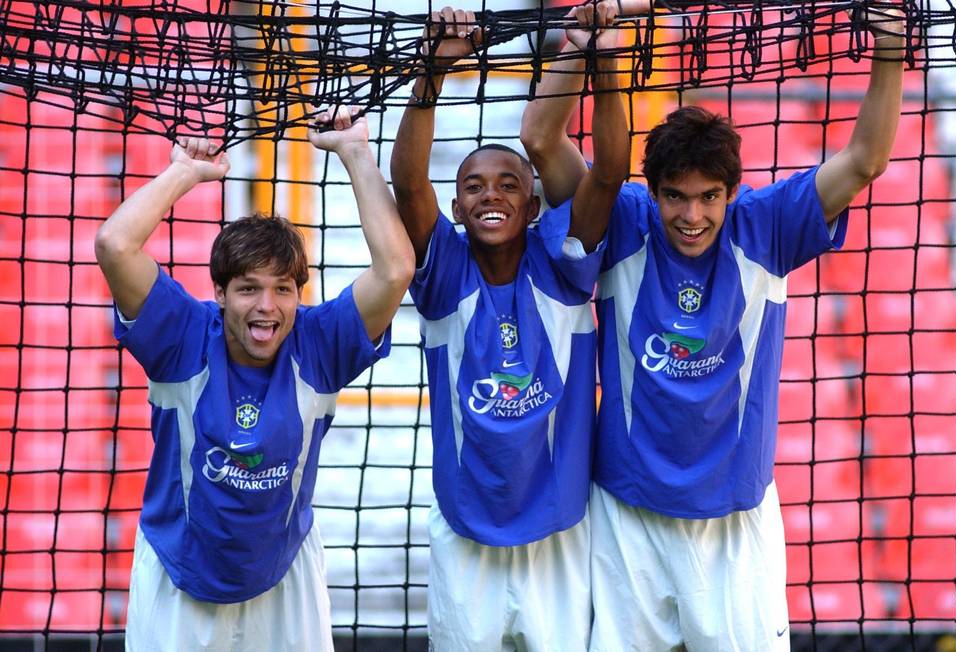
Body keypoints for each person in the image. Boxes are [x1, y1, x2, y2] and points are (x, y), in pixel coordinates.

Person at [520, 2, 906, 650]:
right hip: (627, 516)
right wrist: (579, 46)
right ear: (655, 191)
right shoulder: (622, 219)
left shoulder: (767, 225)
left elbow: (866, 159)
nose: (692, 215)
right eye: (676, 195)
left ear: (731, 192)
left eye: (708, 197)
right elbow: (539, 140)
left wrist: (890, 44)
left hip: (735, 524)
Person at [94, 107, 415, 650]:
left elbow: (396, 270)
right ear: (219, 294)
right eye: (248, 288)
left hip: (283, 579)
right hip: (179, 576)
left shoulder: (318, 342)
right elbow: (113, 245)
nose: (267, 307)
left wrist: (357, 151)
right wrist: (184, 174)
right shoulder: (183, 336)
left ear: (297, 294)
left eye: (283, 289)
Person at [389, 6, 628, 650]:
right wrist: (432, 72)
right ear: (460, 206)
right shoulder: (442, 277)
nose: (489, 195)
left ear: (531, 201)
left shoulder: (564, 264)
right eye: (473, 186)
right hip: (466, 537)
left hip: (560, 537)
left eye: (505, 184)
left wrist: (602, 58)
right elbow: (408, 184)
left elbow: (608, 173)